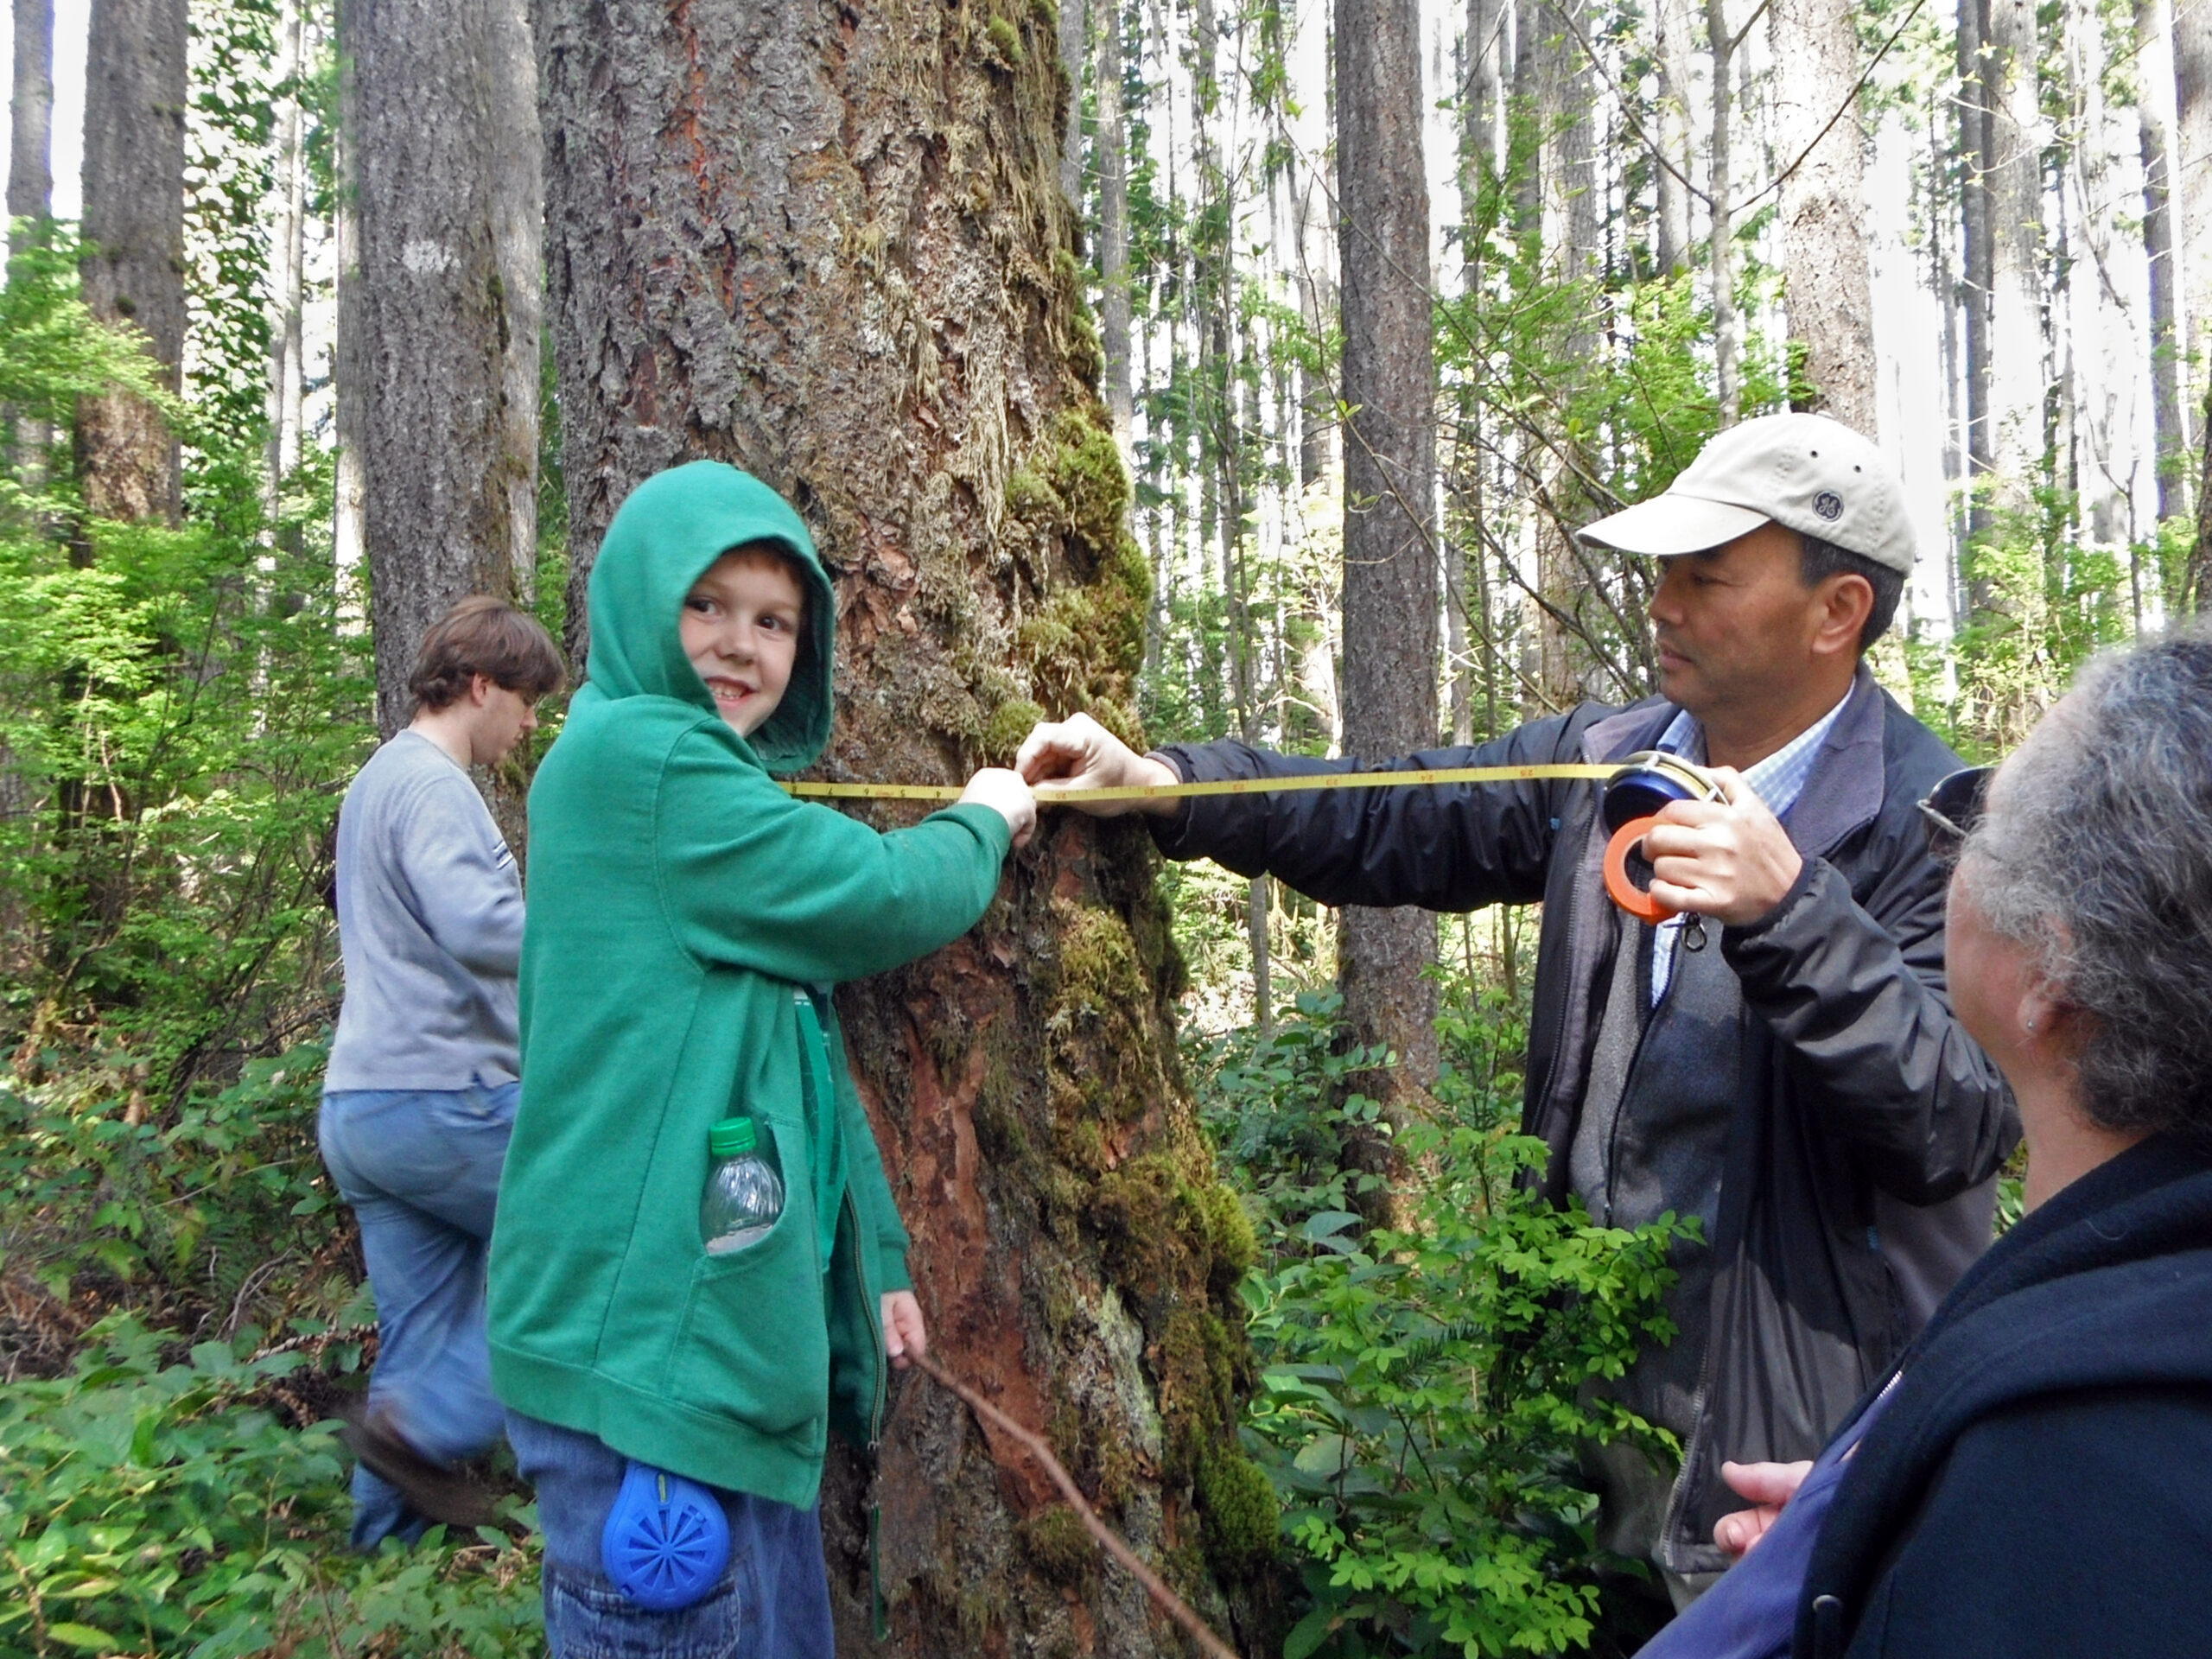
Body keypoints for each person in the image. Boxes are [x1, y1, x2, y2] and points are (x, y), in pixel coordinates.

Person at [1019, 412, 2018, 1603]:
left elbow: (1959, 1120)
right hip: (1583, 1430)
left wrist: (1789, 908)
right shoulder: (1614, 760)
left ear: (1837, 612)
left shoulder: (1940, 830)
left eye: (1706, 577)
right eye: (1661, 572)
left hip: (1792, 1458)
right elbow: (1395, 814)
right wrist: (1171, 788)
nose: (1662, 602)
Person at [485, 461, 1035, 1656]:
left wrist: (871, 1255)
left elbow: (790, 1043)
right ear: (636, 605)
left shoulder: (683, 785)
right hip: (652, 1387)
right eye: (708, 605)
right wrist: (988, 815)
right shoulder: (646, 763)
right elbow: (885, 892)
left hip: (698, 1370)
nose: (741, 644)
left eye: (775, 620)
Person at [1641, 621, 2212, 1658]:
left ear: (2053, 973)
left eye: (1978, 829)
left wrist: (1966, 1519)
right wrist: (1894, 1510)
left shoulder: (2066, 1451)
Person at [320, 594, 567, 1548]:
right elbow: (477, 926)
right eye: (526, 698)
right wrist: (588, 932)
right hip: (443, 1098)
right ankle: (423, 1431)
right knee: (589, 1242)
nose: (531, 720)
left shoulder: (378, 779)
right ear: (478, 686)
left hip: (365, 1112)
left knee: (418, 1347)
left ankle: (378, 1572)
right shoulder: (430, 783)